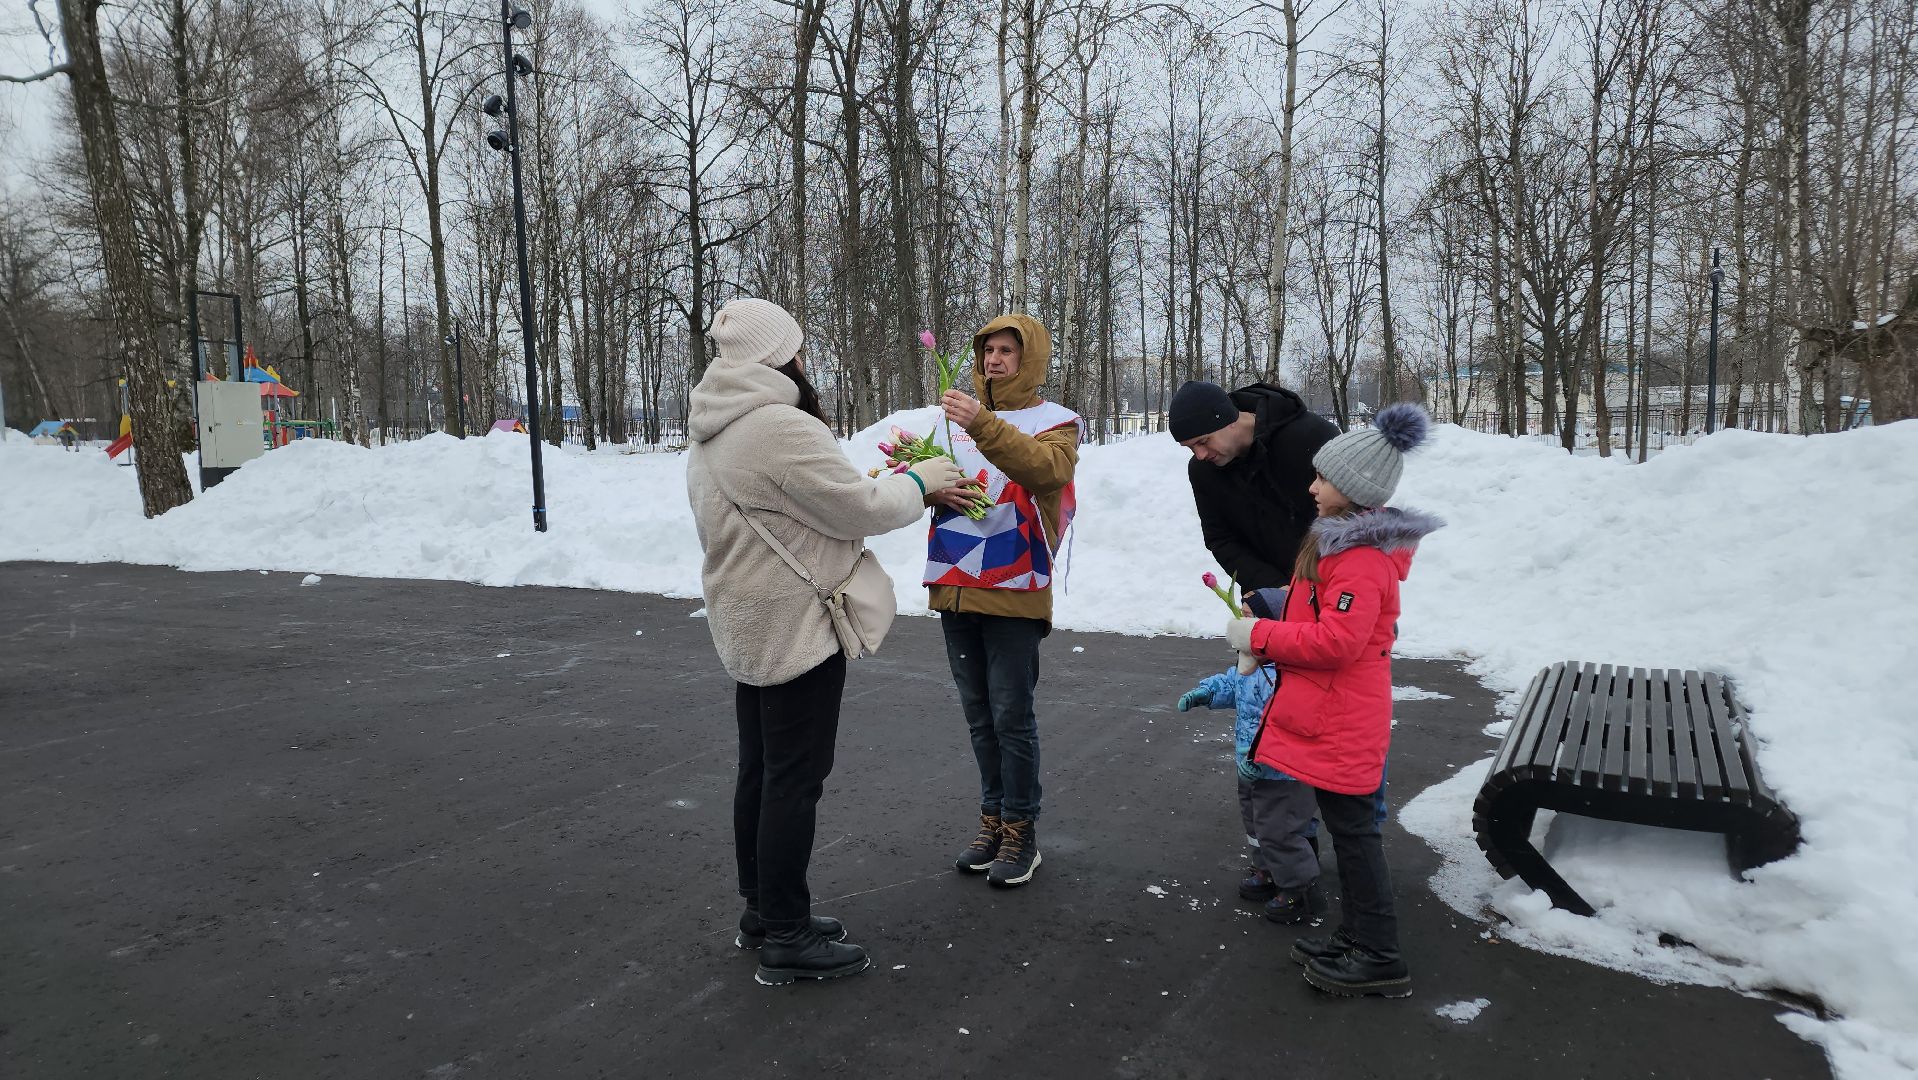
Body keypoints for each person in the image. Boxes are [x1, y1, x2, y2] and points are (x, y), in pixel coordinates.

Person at [685, 297, 970, 985]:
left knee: (761, 770)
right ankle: (786, 934)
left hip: (748, 618)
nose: (804, 360)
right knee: (793, 779)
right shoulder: (777, 424)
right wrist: (922, 480)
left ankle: (765, 911)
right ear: (778, 355)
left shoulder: (714, 425)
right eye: (798, 348)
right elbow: (861, 510)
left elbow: (800, 505)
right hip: (796, 624)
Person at [1228, 402, 1442, 999]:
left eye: (1321, 477)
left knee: (1355, 836)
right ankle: (1357, 935)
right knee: (1349, 833)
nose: (1311, 485)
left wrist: (1259, 637)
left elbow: (1340, 641)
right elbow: (1318, 610)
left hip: (1345, 717)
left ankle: (1380, 953)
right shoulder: (1341, 549)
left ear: (1351, 490)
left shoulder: (1363, 559)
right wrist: (1273, 605)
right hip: (1334, 713)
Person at [928, 314, 1079, 888]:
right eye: (987, 350)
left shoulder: (1057, 422)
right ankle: (992, 820)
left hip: (1016, 587)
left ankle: (1022, 830)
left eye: (1007, 351)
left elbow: (1045, 472)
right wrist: (926, 483)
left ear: (1030, 359)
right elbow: (941, 477)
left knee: (1012, 716)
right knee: (979, 717)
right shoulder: (955, 420)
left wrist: (985, 424)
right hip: (956, 582)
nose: (993, 360)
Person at [1176, 586, 1325, 925]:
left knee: (1280, 829)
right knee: (1256, 824)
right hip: (1249, 766)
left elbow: (1289, 723)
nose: (1241, 624)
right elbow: (1232, 684)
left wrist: (1263, 758)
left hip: (1282, 773)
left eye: (1249, 618)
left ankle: (1300, 888)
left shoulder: (1287, 674)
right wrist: (1206, 692)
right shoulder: (1251, 664)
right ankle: (1267, 869)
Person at [1170, 380, 1339, 591]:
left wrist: (1309, 586)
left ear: (1229, 419)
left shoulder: (1312, 437)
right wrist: (1271, 586)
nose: (1200, 455)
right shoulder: (1203, 471)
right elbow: (1221, 539)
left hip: (1335, 588)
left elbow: (1347, 517)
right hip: (1269, 593)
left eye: (1203, 441)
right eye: (1190, 447)